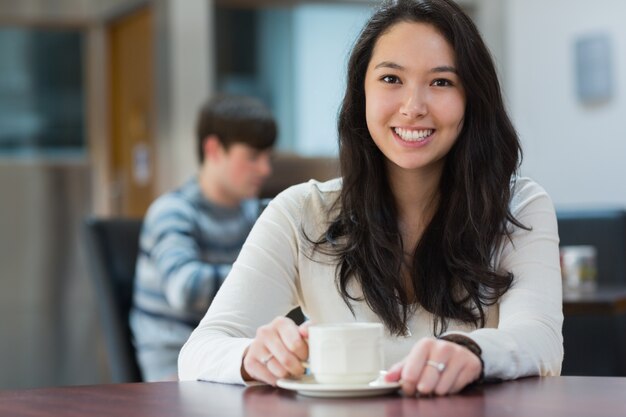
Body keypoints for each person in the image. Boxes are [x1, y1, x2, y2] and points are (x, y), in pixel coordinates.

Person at [178, 0, 563, 396]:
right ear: (361, 93)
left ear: (472, 99)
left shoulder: (517, 206)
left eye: (441, 82)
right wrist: (251, 356)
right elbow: (200, 349)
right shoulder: (301, 213)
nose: (413, 107)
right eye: (391, 79)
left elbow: (541, 339)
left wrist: (473, 352)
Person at [130, 95, 277, 381]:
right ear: (213, 149)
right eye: (252, 157)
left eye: (268, 157)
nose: (265, 169)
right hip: (176, 368)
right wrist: (268, 277)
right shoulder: (172, 212)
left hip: (238, 360)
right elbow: (185, 289)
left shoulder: (253, 214)